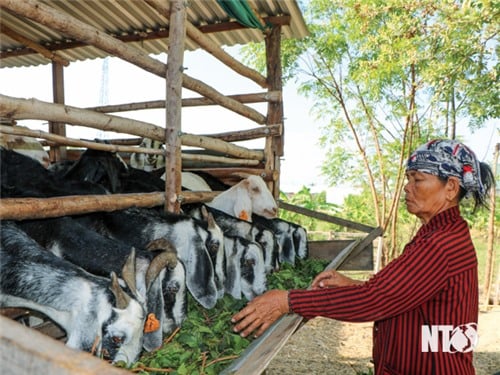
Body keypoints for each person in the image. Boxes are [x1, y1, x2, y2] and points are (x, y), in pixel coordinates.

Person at [231, 139, 495, 375]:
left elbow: (375, 301)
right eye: (408, 179)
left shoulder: (441, 245)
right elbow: (403, 296)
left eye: (417, 179)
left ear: (450, 187)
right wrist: (354, 286)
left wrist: (287, 301)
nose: (406, 188)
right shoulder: (441, 234)